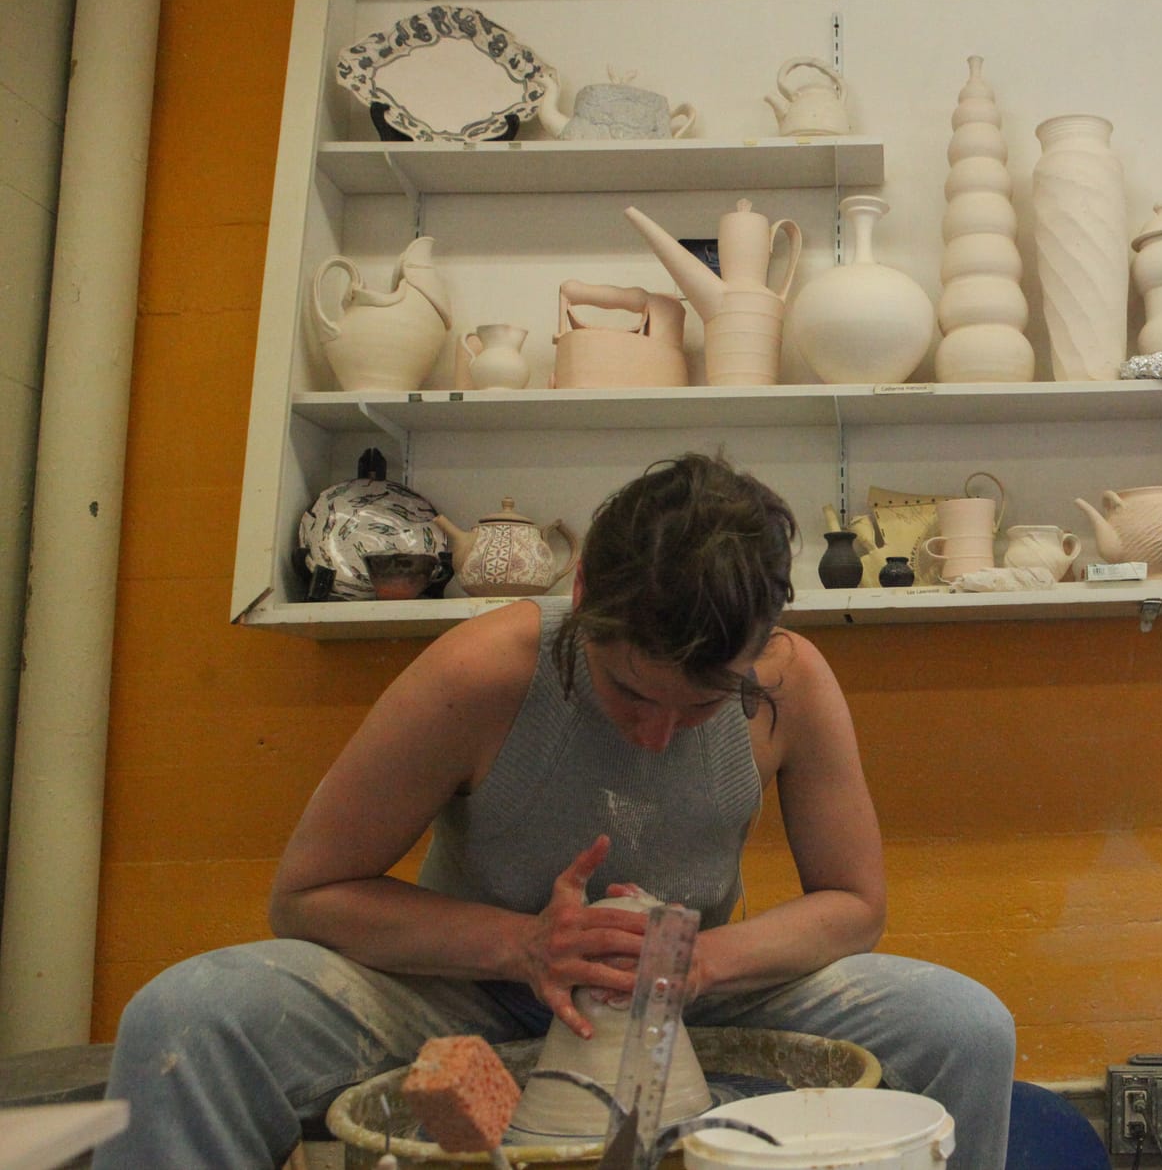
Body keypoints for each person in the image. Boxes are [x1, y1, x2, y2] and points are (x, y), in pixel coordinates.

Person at [99, 454, 1016, 1168]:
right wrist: (522, 945)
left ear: (761, 645)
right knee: (191, 1015)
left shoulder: (792, 681)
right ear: (581, 598)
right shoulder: (482, 671)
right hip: (468, 991)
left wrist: (705, 961)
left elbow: (857, 904)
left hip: (684, 995)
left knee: (962, 1027)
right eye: (629, 693)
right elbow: (307, 897)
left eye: (699, 708)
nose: (660, 737)